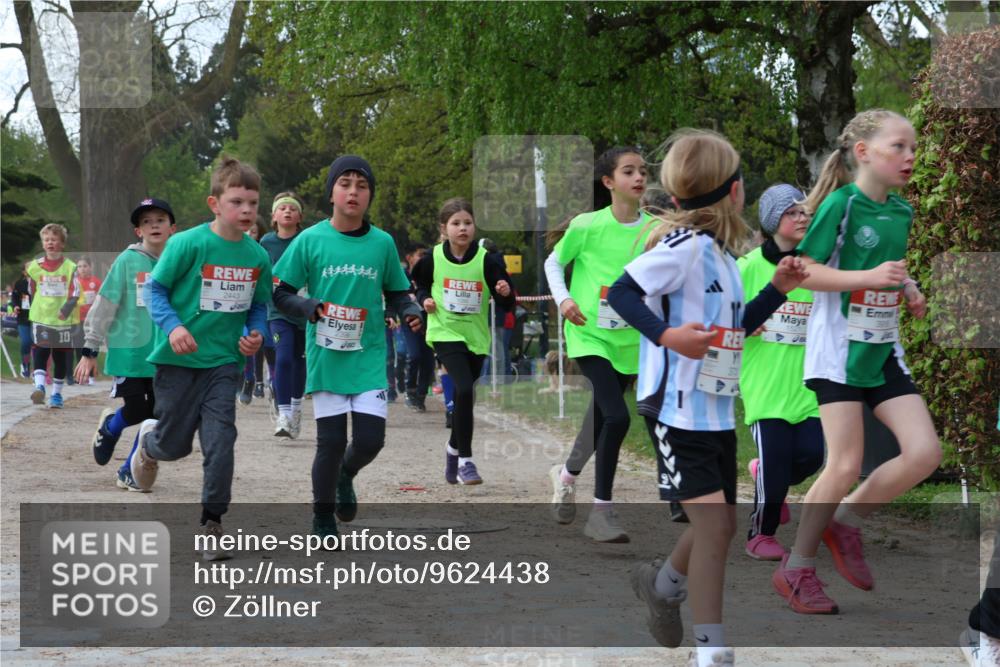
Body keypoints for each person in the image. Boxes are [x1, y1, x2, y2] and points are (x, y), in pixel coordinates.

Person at [606, 128, 808, 667]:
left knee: (713, 521)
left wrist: (775, 292)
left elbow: (739, 327)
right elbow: (622, 292)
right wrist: (667, 335)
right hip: (674, 411)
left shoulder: (724, 257)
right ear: (736, 191)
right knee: (716, 526)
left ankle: (664, 585)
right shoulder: (684, 249)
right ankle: (712, 651)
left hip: (716, 410)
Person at [772, 108, 940, 615]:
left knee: (924, 453)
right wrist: (870, 280)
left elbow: (883, 270)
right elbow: (805, 273)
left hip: (883, 347)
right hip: (837, 352)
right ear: (863, 152)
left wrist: (906, 286)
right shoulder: (842, 205)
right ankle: (797, 570)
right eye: (899, 147)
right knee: (843, 463)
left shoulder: (903, 211)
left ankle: (844, 522)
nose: (910, 157)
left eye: (913, 148)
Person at [128, 158, 273, 559]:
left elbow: (259, 307)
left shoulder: (257, 256)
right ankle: (150, 444)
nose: (246, 211)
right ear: (215, 203)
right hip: (177, 363)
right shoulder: (187, 243)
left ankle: (212, 523)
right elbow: (155, 292)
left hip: (224, 364)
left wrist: (254, 334)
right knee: (175, 447)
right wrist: (174, 327)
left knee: (220, 440)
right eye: (237, 202)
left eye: (252, 203)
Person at [273, 155, 423, 540]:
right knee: (331, 442)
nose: (353, 191)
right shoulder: (310, 240)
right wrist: (307, 306)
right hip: (327, 353)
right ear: (332, 193)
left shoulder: (382, 243)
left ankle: (346, 475)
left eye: (361, 185)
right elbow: (281, 292)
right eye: (345, 184)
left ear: (369, 194)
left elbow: (397, 291)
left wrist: (409, 309)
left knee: (371, 439)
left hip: (370, 352)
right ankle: (322, 518)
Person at [543, 146, 653, 542]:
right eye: (628, 172)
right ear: (609, 182)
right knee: (618, 417)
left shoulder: (654, 229)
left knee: (599, 416)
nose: (639, 178)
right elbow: (553, 263)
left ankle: (566, 474)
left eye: (642, 171)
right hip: (588, 333)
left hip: (630, 340)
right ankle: (602, 511)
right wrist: (564, 300)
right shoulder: (588, 226)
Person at [738, 184, 824, 560]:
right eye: (792, 212)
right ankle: (761, 534)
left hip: (808, 386)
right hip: (765, 384)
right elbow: (724, 319)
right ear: (774, 221)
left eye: (805, 211)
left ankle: (765, 476)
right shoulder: (748, 267)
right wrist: (744, 321)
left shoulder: (816, 267)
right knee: (776, 466)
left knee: (813, 455)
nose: (802, 217)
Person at [74, 198, 177, 491]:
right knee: (136, 409)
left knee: (156, 415)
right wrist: (90, 349)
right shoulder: (127, 260)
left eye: (160, 219)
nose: (154, 225)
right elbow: (105, 303)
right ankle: (110, 428)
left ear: (173, 227)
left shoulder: (180, 259)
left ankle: (129, 470)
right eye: (146, 221)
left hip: (166, 354)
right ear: (137, 231)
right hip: (130, 351)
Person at [412, 197, 516, 485]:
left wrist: (504, 290)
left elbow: (508, 303)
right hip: (445, 332)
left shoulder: (488, 260)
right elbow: (418, 284)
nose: (463, 228)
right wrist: (425, 299)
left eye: (467, 223)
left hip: (475, 337)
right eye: (456, 223)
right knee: (463, 389)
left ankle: (452, 449)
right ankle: (466, 462)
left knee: (465, 396)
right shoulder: (431, 258)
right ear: (444, 228)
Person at [260, 191, 308, 438]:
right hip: (277, 311)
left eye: (292, 208)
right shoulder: (266, 242)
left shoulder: (307, 240)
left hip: (305, 311)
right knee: (284, 358)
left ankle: (296, 410)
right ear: (274, 216)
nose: (287, 212)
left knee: (300, 363)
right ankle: (284, 414)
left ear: (300, 216)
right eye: (282, 208)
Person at [26, 224, 81, 408]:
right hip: (42, 318)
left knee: (60, 358)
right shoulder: (35, 267)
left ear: (62, 244)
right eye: (47, 240)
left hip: (63, 320)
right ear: (43, 244)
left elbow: (75, 292)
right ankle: (39, 387)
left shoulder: (70, 267)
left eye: (54, 240)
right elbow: (31, 289)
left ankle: (57, 394)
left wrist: (66, 309)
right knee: (40, 351)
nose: (50, 243)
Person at [237, 217, 274, 406]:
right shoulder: (230, 250)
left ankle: (267, 380)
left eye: (253, 232)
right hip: (236, 307)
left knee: (263, 344)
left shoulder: (262, 255)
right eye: (246, 231)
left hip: (260, 307)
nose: (249, 235)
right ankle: (249, 378)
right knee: (244, 344)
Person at [400, 242, 435, 412]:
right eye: (420, 255)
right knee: (414, 355)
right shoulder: (403, 276)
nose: (423, 258)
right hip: (410, 322)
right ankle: (410, 391)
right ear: (410, 258)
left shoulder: (430, 274)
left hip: (430, 321)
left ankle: (421, 395)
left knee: (428, 359)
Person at [72, 256, 102, 385]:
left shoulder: (96, 282)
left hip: (92, 319)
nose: (82, 269)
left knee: (91, 346)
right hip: (77, 319)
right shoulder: (74, 282)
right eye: (79, 266)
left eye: (85, 266)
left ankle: (91, 375)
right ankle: (81, 375)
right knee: (79, 347)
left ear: (90, 267)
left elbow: (101, 300)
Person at [9, 261, 34, 378]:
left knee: (38, 344)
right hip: (23, 318)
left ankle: (39, 370)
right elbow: (14, 297)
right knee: (25, 342)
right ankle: (25, 365)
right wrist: (15, 306)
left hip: (38, 318)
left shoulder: (41, 283)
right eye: (28, 268)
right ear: (24, 272)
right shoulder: (19, 284)